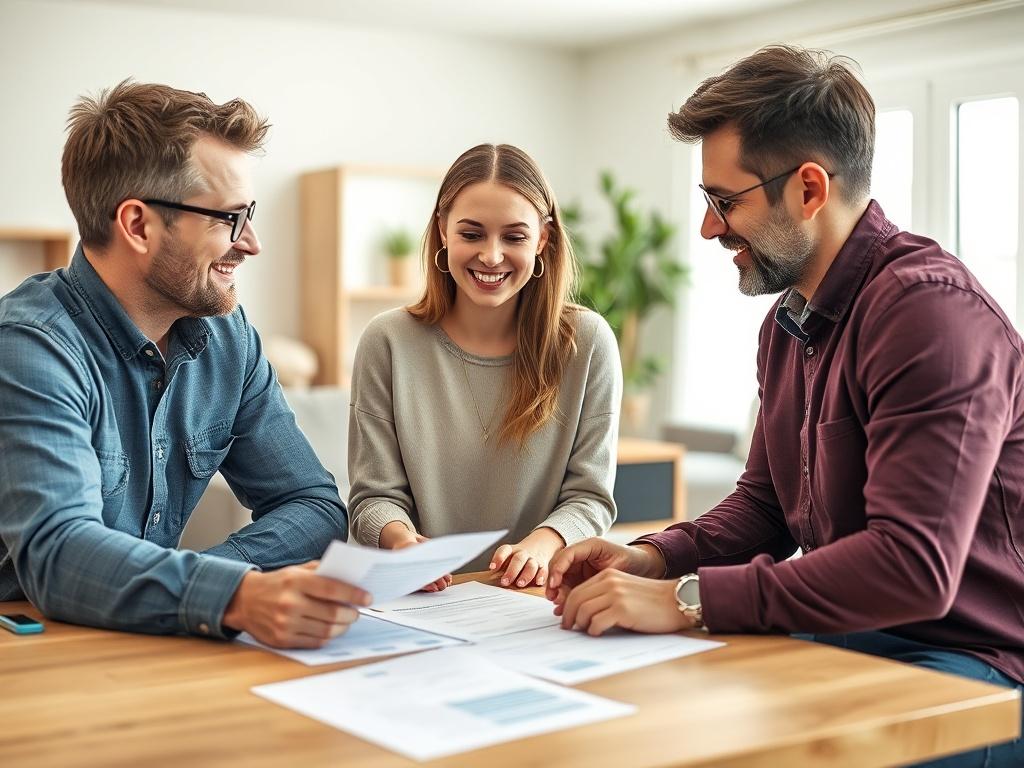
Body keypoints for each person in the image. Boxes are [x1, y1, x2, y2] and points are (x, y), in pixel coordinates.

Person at [546, 46, 1023, 766]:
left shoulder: (928, 314)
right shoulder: (787, 325)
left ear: (807, 189)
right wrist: (653, 557)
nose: (709, 228)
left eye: (723, 200)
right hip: (854, 639)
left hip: (978, 668)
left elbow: (912, 567)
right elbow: (766, 505)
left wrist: (688, 599)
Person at [0, 81, 368, 649]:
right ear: (138, 225)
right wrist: (236, 594)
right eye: (229, 218)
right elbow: (59, 553)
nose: (252, 244)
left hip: (153, 639)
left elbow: (314, 506)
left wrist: (224, 580)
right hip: (35, 649)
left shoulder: (228, 338)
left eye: (250, 214)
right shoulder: (32, 347)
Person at [348, 143, 621, 590]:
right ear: (442, 231)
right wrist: (401, 543)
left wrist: (544, 543)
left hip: (531, 600)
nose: (491, 256)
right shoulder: (388, 341)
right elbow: (373, 498)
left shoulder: (587, 344)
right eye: (472, 234)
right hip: (418, 599)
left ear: (543, 239)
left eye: (514, 237)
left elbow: (590, 496)